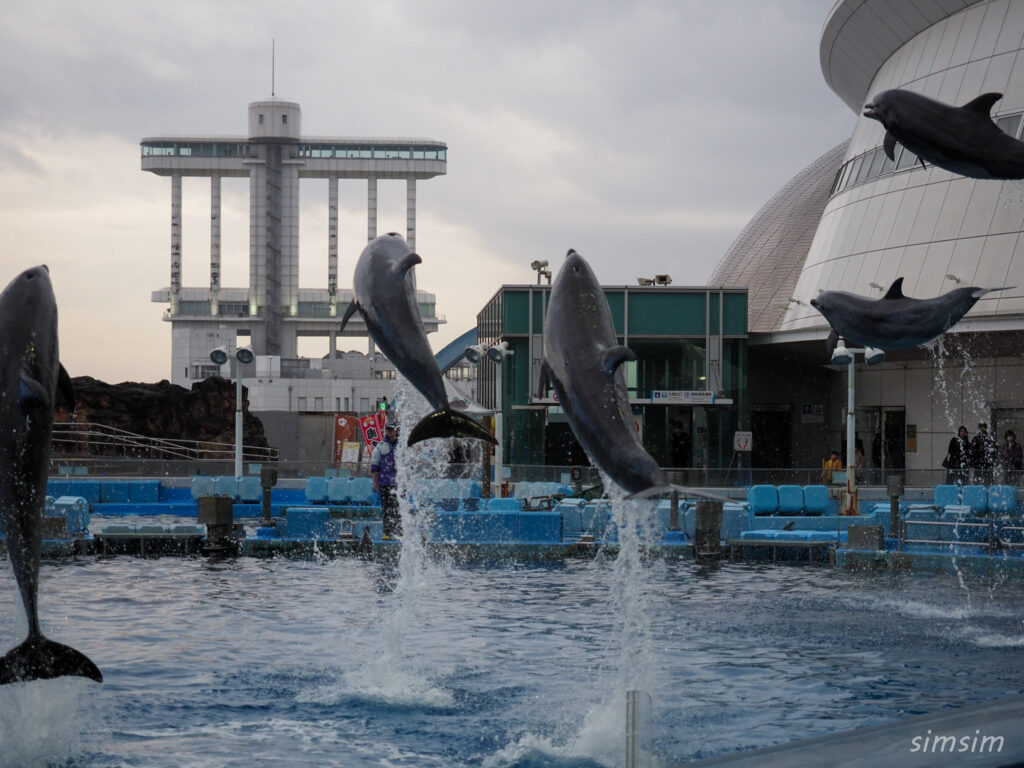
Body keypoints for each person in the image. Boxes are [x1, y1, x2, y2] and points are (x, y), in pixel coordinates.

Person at [371, 424, 401, 539]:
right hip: (384, 482)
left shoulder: (401, 445)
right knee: (386, 508)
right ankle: (387, 532)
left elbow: (408, 464)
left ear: (395, 430)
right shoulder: (380, 446)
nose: (390, 432)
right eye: (388, 430)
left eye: (391, 430)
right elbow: (375, 465)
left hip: (398, 483)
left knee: (398, 507)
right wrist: (374, 482)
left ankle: (399, 531)